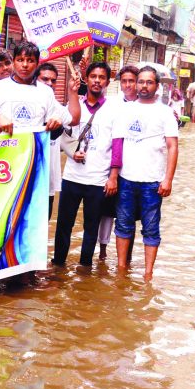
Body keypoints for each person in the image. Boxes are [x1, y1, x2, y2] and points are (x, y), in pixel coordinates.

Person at [112, 66, 179, 281]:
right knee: (122, 226)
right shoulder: (126, 110)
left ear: (157, 86)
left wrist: (168, 179)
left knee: (151, 229)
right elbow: (118, 142)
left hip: (152, 182)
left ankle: (148, 275)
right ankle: (121, 271)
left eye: (149, 82)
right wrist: (113, 175)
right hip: (126, 179)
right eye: (140, 81)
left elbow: (172, 146)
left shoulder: (165, 112)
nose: (143, 86)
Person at [53, 62, 118, 267]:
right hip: (72, 177)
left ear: (107, 81)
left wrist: (113, 177)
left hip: (98, 179)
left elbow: (117, 145)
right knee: (64, 224)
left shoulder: (114, 110)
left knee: (91, 227)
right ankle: (58, 264)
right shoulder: (73, 106)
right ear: (86, 79)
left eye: (101, 77)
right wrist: (73, 153)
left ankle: (85, 268)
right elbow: (61, 136)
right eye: (93, 76)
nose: (97, 81)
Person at [0, 41, 75, 135]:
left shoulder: (46, 92)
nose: (25, 65)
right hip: (4, 148)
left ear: (37, 64)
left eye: (30, 60)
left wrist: (57, 125)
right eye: (20, 60)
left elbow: (50, 135)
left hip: (35, 148)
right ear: (13, 62)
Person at [99, 64, 139, 260]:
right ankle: (103, 252)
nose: (128, 85)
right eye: (124, 81)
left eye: (132, 80)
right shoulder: (112, 104)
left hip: (134, 168)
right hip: (111, 166)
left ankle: (126, 257)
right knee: (106, 212)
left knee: (129, 215)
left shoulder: (146, 105)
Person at [36, 62, 79, 217]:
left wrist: (72, 92)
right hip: (25, 177)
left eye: (53, 80)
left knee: (42, 227)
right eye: (45, 79)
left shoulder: (55, 106)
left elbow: (74, 119)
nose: (49, 84)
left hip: (47, 180)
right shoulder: (27, 101)